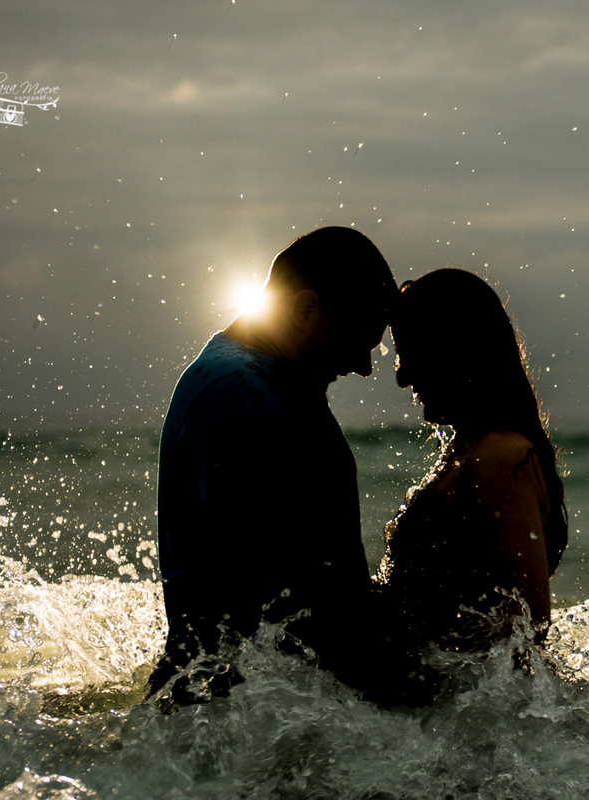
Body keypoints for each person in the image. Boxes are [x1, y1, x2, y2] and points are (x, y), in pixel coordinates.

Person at [147, 226, 397, 707]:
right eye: (360, 340)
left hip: (254, 715)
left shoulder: (266, 383)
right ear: (306, 309)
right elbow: (270, 585)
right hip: (242, 722)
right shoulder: (240, 395)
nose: (365, 367)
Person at [373, 268, 568, 657]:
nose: (401, 375)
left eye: (410, 353)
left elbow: (528, 629)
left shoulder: (498, 460)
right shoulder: (473, 450)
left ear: (457, 351)